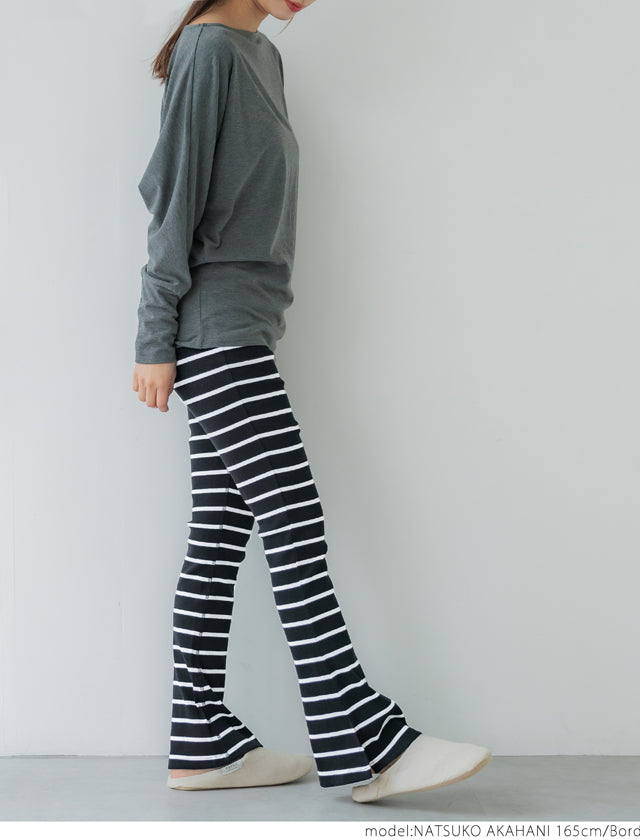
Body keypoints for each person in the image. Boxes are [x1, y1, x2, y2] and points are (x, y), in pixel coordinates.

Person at [131, 0, 492, 803]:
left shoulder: (260, 57)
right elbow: (172, 203)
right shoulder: (207, 52)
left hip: (245, 328)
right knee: (293, 519)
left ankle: (201, 741)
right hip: (214, 332)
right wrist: (154, 338)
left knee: (220, 532)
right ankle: (364, 738)